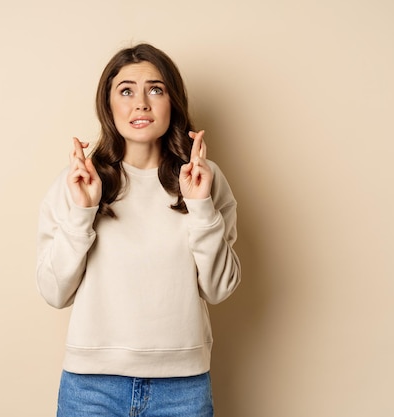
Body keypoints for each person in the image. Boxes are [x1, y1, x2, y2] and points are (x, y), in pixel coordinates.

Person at [36, 43, 241, 417]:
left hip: (183, 389)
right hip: (91, 388)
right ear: (108, 104)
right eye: (126, 90)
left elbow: (219, 288)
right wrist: (83, 212)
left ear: (172, 102)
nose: (141, 103)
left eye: (156, 89)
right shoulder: (79, 182)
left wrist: (199, 205)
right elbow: (54, 292)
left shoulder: (202, 179)